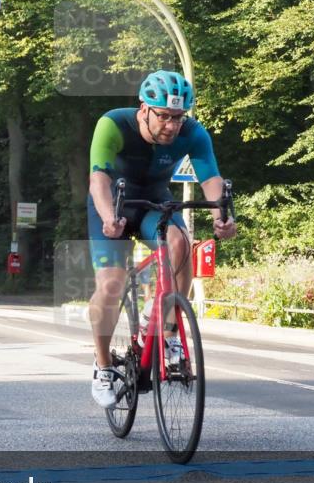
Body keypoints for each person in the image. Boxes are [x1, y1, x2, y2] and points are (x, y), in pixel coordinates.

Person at [87, 70, 236, 407]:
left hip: (155, 200)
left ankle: (168, 332)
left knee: (180, 244)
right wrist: (110, 218)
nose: (172, 126)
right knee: (111, 284)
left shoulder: (194, 134)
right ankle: (103, 365)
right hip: (114, 201)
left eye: (178, 118)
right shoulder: (113, 124)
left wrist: (223, 218)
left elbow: (211, 179)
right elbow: (98, 180)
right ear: (144, 110)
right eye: (165, 117)